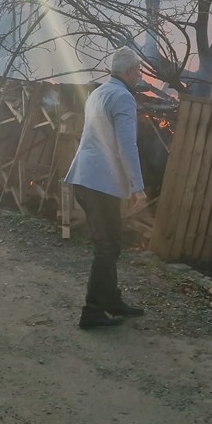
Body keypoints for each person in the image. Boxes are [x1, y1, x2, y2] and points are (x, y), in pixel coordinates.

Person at [64, 46, 148, 329]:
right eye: (138, 70)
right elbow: (128, 145)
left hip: (86, 179)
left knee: (111, 243)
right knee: (106, 247)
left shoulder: (98, 93)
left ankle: (111, 301)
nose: (140, 75)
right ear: (128, 71)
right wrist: (138, 186)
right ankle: (92, 313)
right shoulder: (123, 97)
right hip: (99, 182)